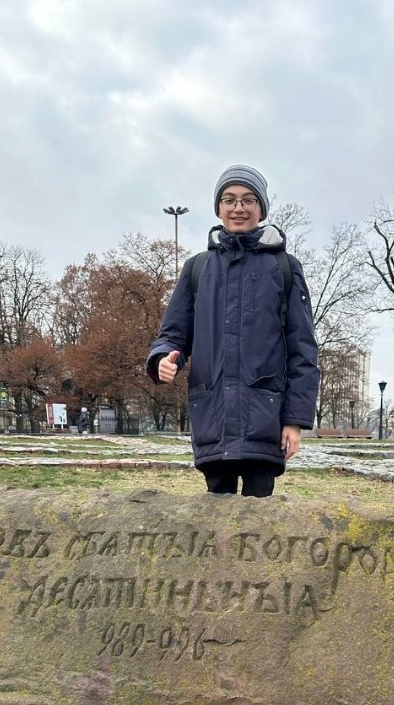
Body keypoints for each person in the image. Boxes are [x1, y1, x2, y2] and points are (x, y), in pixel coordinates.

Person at [147, 165, 319, 497]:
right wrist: (162, 359)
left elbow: (303, 349)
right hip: (212, 416)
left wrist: (294, 420)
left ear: (261, 208)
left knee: (259, 519)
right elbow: (173, 334)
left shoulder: (284, 267)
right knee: (213, 517)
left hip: (265, 417)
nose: (238, 208)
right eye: (229, 199)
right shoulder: (198, 268)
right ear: (219, 208)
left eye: (248, 199)